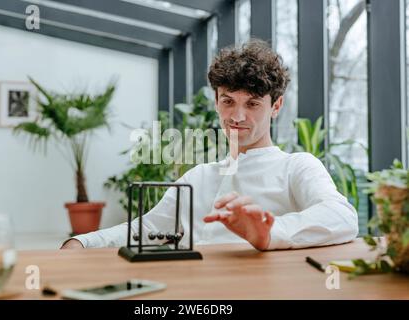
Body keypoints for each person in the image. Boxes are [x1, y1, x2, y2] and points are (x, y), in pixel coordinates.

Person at [61, 39, 358, 250]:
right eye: (228, 101)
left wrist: (268, 233)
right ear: (216, 102)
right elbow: (146, 229)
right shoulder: (198, 176)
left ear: (276, 106)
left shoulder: (298, 166)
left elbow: (342, 217)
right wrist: (83, 241)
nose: (238, 116)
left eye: (253, 104)